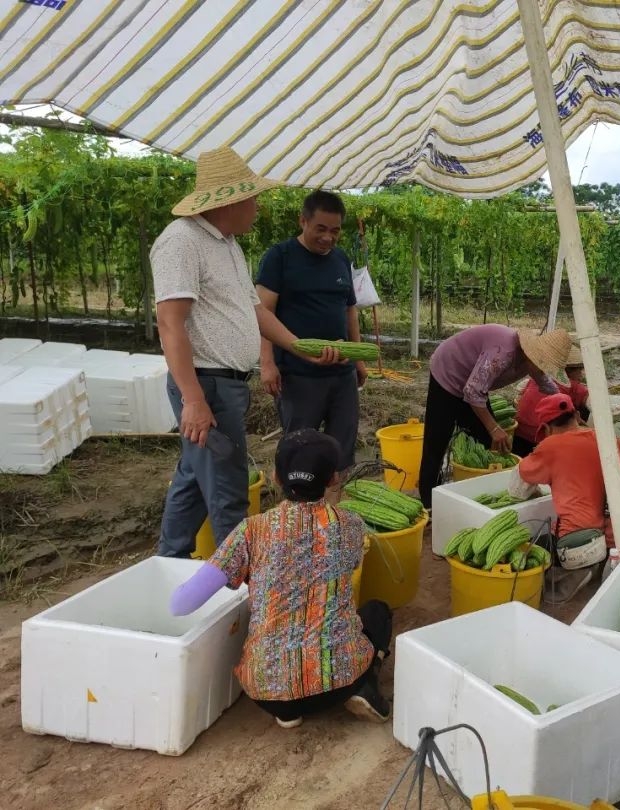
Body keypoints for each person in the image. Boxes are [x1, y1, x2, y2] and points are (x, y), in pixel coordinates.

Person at [152, 147, 341, 559]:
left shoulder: (226, 245)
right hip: (206, 384)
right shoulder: (182, 242)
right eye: (253, 199)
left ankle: (168, 562)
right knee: (228, 491)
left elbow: (253, 311)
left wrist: (300, 349)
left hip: (225, 385)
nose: (257, 207)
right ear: (230, 201)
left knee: (192, 479)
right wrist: (194, 400)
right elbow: (170, 323)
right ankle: (241, 592)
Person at [169, 429, 392, 729]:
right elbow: (348, 568)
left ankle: (288, 713)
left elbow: (181, 604)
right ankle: (364, 685)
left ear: (275, 476)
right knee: (377, 612)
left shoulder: (250, 531)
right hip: (340, 679)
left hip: (267, 690)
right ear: (333, 480)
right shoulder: (351, 526)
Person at [256, 190, 367, 476]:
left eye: (335, 230)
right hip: (298, 375)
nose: (328, 238)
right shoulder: (279, 257)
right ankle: (297, 511)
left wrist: (358, 359)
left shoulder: (340, 258)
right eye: (321, 229)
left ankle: (333, 510)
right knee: (299, 449)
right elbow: (263, 313)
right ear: (303, 221)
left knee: (342, 449)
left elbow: (349, 310)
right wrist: (267, 363)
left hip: (341, 376)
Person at [418, 325, 571, 508]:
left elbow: (549, 388)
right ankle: (429, 503)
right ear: (533, 355)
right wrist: (494, 428)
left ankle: (472, 497)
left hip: (474, 384)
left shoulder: (531, 363)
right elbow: (473, 391)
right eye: (542, 366)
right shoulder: (502, 352)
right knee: (437, 441)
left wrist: (571, 414)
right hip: (448, 371)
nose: (543, 371)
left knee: (484, 442)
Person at [509, 393, 620, 594]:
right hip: (614, 542)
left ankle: (576, 572)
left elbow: (517, 490)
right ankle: (596, 569)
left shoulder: (549, 447)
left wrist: (543, 483)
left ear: (545, 428)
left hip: (575, 544)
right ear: (577, 415)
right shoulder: (606, 439)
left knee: (530, 540)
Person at [512, 344, 589, 457]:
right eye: (579, 370)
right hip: (540, 440)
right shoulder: (571, 385)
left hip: (518, 437)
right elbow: (592, 402)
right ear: (569, 371)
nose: (581, 375)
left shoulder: (537, 379)